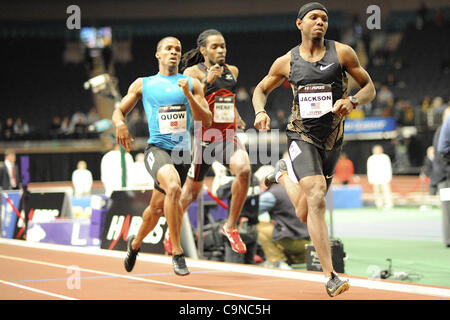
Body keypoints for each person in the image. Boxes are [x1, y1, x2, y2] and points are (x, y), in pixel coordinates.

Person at [252, 2, 376, 297]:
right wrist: (259, 111)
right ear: (300, 24)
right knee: (317, 194)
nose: (320, 22)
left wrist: (354, 101)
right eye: (313, 18)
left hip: (332, 140)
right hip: (300, 136)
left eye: (324, 18)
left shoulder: (343, 52)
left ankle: (282, 175)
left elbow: (369, 87)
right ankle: (330, 275)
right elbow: (260, 90)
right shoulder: (287, 61)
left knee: (306, 209)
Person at [112, 36, 211, 276]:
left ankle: (134, 244)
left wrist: (188, 96)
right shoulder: (143, 84)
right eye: (168, 49)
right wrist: (119, 123)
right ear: (158, 54)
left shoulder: (192, 83)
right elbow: (119, 110)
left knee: (155, 210)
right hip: (156, 150)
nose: (174, 52)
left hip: (181, 154)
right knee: (174, 188)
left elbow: (206, 119)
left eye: (177, 49)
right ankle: (177, 253)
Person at [178, 29, 250, 254]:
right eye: (215, 47)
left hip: (227, 138)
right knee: (189, 193)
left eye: (223, 46)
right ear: (203, 50)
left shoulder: (233, 71)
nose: (221, 50)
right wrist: (207, 82)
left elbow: (227, 98)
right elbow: (189, 102)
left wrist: (236, 116)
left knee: (245, 169)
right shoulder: (193, 72)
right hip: (204, 140)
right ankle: (172, 229)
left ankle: (231, 226)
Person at [254, 164, 311, 269]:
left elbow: (253, 213)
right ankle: (295, 257)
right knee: (273, 227)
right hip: (308, 241)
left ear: (265, 181)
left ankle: (277, 261)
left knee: (258, 228)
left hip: (293, 241)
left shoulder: (270, 195)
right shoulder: (292, 188)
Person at [216, 171, 261, 265]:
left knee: (234, 266)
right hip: (252, 228)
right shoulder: (255, 180)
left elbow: (219, 193)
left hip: (237, 230)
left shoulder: (236, 183)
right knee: (249, 264)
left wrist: (218, 174)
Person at [435, 106, 450, 247]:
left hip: (444, 176)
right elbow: (441, 153)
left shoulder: (441, 130)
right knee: (447, 209)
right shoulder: (442, 131)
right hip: (445, 178)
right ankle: (448, 240)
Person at [366, 145, 393, 210]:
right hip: (375, 179)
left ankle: (388, 204)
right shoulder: (371, 158)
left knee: (386, 192)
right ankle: (379, 204)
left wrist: (389, 177)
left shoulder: (385, 157)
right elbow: (369, 169)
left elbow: (388, 168)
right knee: (377, 193)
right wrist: (370, 179)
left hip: (384, 178)